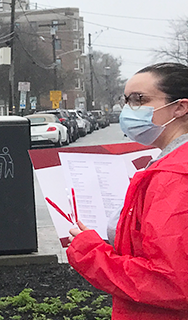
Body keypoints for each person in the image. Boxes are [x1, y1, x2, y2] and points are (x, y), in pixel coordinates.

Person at [67, 62, 188, 320]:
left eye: (139, 100)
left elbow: (171, 283)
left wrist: (89, 251)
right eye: (127, 101)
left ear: (180, 107)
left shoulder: (174, 176)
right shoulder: (167, 164)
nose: (129, 110)